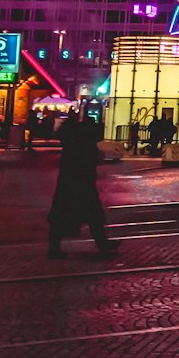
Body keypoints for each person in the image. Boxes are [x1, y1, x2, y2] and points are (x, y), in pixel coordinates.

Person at [46, 111, 120, 260]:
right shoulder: (82, 145)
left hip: (72, 184)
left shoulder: (75, 142)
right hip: (80, 185)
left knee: (69, 216)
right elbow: (86, 163)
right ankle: (102, 244)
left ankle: (101, 244)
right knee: (91, 216)